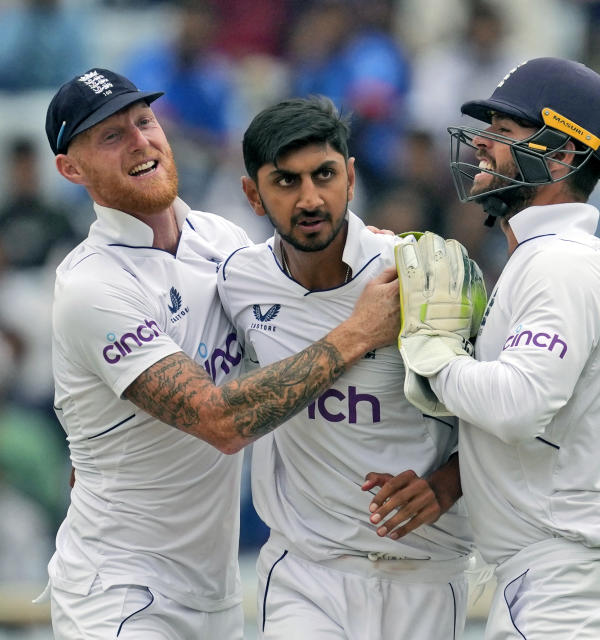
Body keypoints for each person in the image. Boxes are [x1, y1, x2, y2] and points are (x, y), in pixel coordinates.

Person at [42, 69, 400, 639]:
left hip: (216, 593)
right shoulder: (93, 286)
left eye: (143, 120)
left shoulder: (223, 241)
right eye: (111, 136)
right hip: (119, 589)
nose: (139, 141)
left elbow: (306, 290)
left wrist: (364, 252)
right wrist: (358, 332)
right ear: (71, 168)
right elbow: (221, 420)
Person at [397, 57, 600, 638]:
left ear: (561, 156)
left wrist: (434, 353)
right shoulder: (549, 257)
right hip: (566, 577)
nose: (481, 144)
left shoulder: (557, 263)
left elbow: (518, 407)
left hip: (569, 585)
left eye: (505, 131)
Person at [217, 96, 473, 639]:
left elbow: (501, 413)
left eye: (324, 175)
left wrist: (446, 485)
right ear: (252, 194)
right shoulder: (239, 280)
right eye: (286, 181)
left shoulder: (421, 272)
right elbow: (212, 406)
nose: (310, 198)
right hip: (306, 573)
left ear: (351, 178)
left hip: (425, 571)